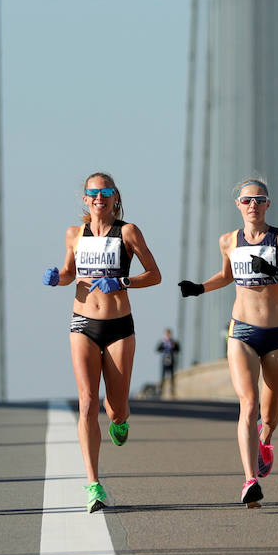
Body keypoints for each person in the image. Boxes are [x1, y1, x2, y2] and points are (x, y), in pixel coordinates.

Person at [178, 176, 278, 507]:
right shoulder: (227, 241)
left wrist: (277, 272)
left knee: (270, 415)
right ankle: (250, 480)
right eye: (247, 200)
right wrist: (199, 288)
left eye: (259, 200)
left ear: (268, 205)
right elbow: (226, 276)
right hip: (242, 332)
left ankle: (265, 440)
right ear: (238, 205)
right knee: (248, 404)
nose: (253, 205)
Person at [42, 172, 162, 513]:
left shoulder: (128, 232)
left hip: (119, 327)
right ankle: (94, 484)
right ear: (84, 199)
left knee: (116, 406)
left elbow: (155, 274)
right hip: (82, 323)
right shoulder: (73, 234)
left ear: (115, 197)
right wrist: (58, 278)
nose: (99, 198)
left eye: (106, 192)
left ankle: (121, 419)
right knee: (86, 402)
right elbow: (69, 273)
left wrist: (122, 281)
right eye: (93, 193)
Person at [156, 328, 180, 398]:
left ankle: (172, 392)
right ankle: (161, 392)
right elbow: (157, 349)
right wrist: (163, 347)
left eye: (169, 334)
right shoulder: (163, 342)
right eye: (167, 334)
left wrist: (173, 347)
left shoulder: (173, 342)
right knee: (162, 377)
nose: (168, 335)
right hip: (164, 361)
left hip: (171, 361)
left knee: (172, 377)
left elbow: (178, 350)